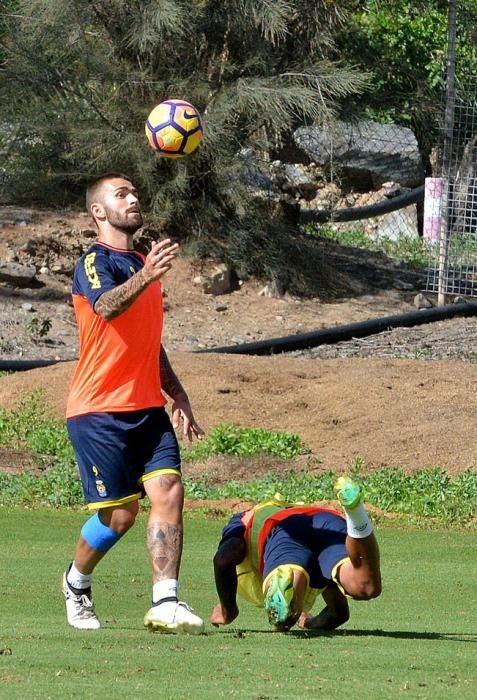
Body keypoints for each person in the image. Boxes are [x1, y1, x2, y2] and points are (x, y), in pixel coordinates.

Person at [62, 172, 205, 634]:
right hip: (97, 409)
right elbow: (106, 307)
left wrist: (176, 392)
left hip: (146, 408)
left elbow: (148, 341)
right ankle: (76, 583)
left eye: (135, 192)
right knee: (120, 516)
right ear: (98, 211)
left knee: (168, 492)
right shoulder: (93, 262)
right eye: (120, 194)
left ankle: (166, 601)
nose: (133, 199)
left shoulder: (146, 265)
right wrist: (146, 275)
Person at [210, 476, 382, 632]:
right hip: (328, 522)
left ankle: (287, 588)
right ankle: (356, 513)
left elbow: (223, 558)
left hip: (286, 531)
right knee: (365, 587)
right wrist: (309, 623)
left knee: (282, 621)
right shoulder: (322, 568)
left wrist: (228, 610)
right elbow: (339, 614)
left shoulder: (243, 519)